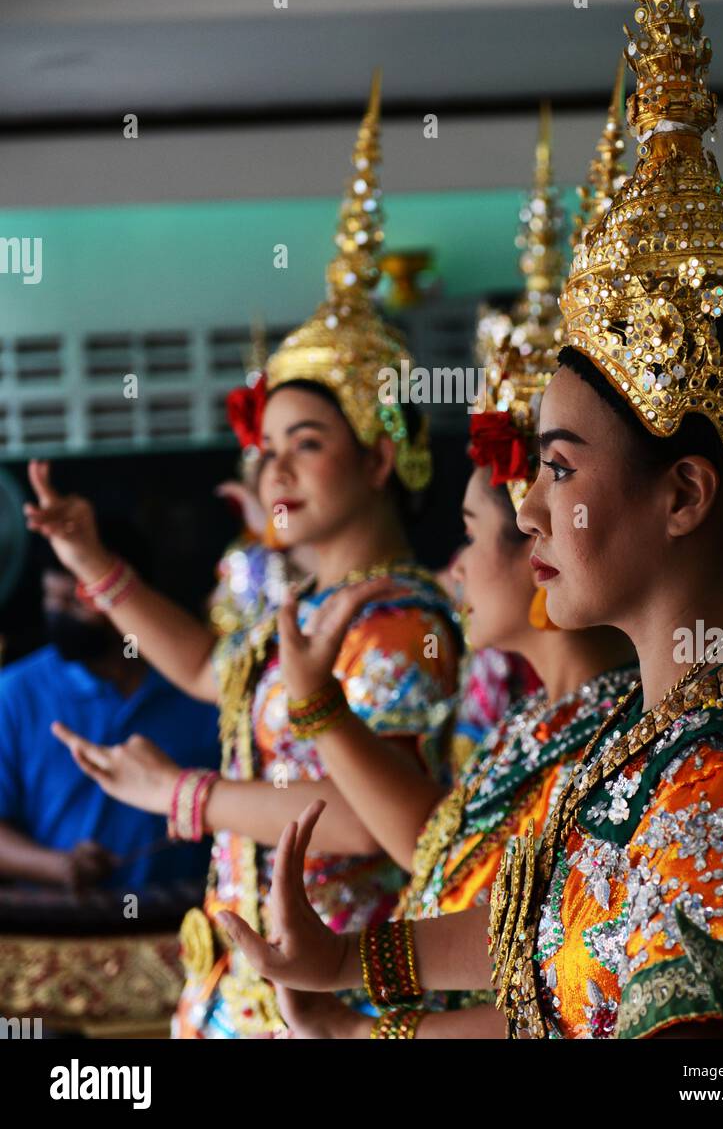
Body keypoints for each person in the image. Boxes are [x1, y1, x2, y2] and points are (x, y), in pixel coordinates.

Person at [211, 0, 723, 1042]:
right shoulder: (633, 727)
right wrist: (349, 988)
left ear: (683, 491)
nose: (531, 509)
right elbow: (533, 953)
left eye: (559, 467)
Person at [26, 71, 462, 1039]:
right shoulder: (310, 606)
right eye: (265, 449)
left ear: (381, 456)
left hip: (340, 990)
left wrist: (176, 793)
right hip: (247, 981)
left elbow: (366, 820)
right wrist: (93, 558)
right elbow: (203, 668)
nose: (273, 471)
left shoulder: (397, 620)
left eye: (305, 442)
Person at [217, 89, 638, 1039]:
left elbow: (578, 996)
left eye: (485, 527)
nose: (459, 567)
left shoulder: (414, 628)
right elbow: (508, 925)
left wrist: (187, 794)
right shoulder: (541, 720)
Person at [0, 526, 219, 894]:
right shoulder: (14, 693)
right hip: (63, 928)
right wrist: (61, 866)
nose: (57, 615)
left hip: (187, 914)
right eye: (50, 599)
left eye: (74, 603)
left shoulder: (200, 683)